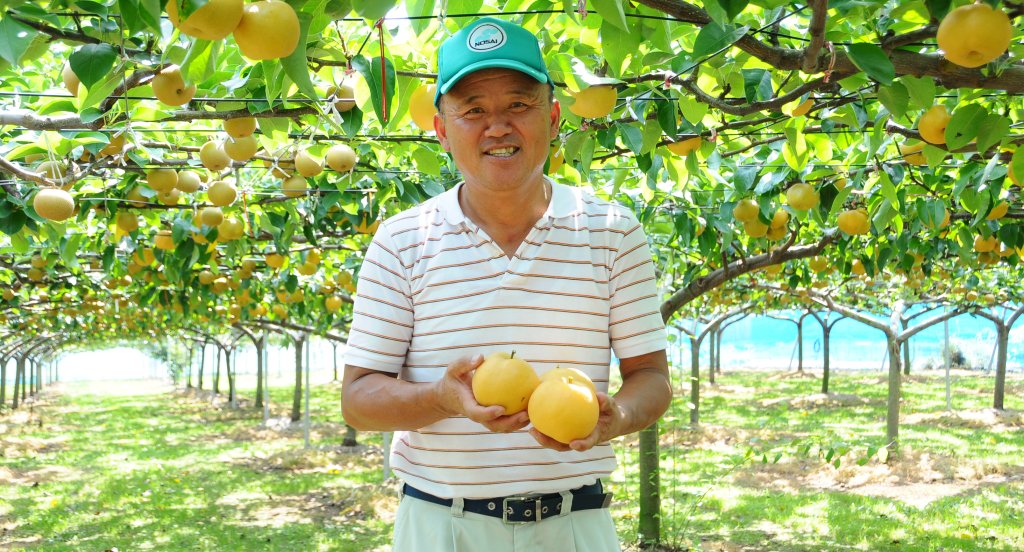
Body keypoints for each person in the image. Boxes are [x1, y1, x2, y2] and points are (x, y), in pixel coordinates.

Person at [341, 16, 671, 552]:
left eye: (519, 104)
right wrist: (444, 399)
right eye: (473, 110)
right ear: (442, 130)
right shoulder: (402, 240)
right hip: (442, 527)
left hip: (574, 523)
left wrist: (618, 417)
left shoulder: (612, 231)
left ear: (553, 117)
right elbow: (358, 401)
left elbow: (651, 376)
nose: (497, 127)